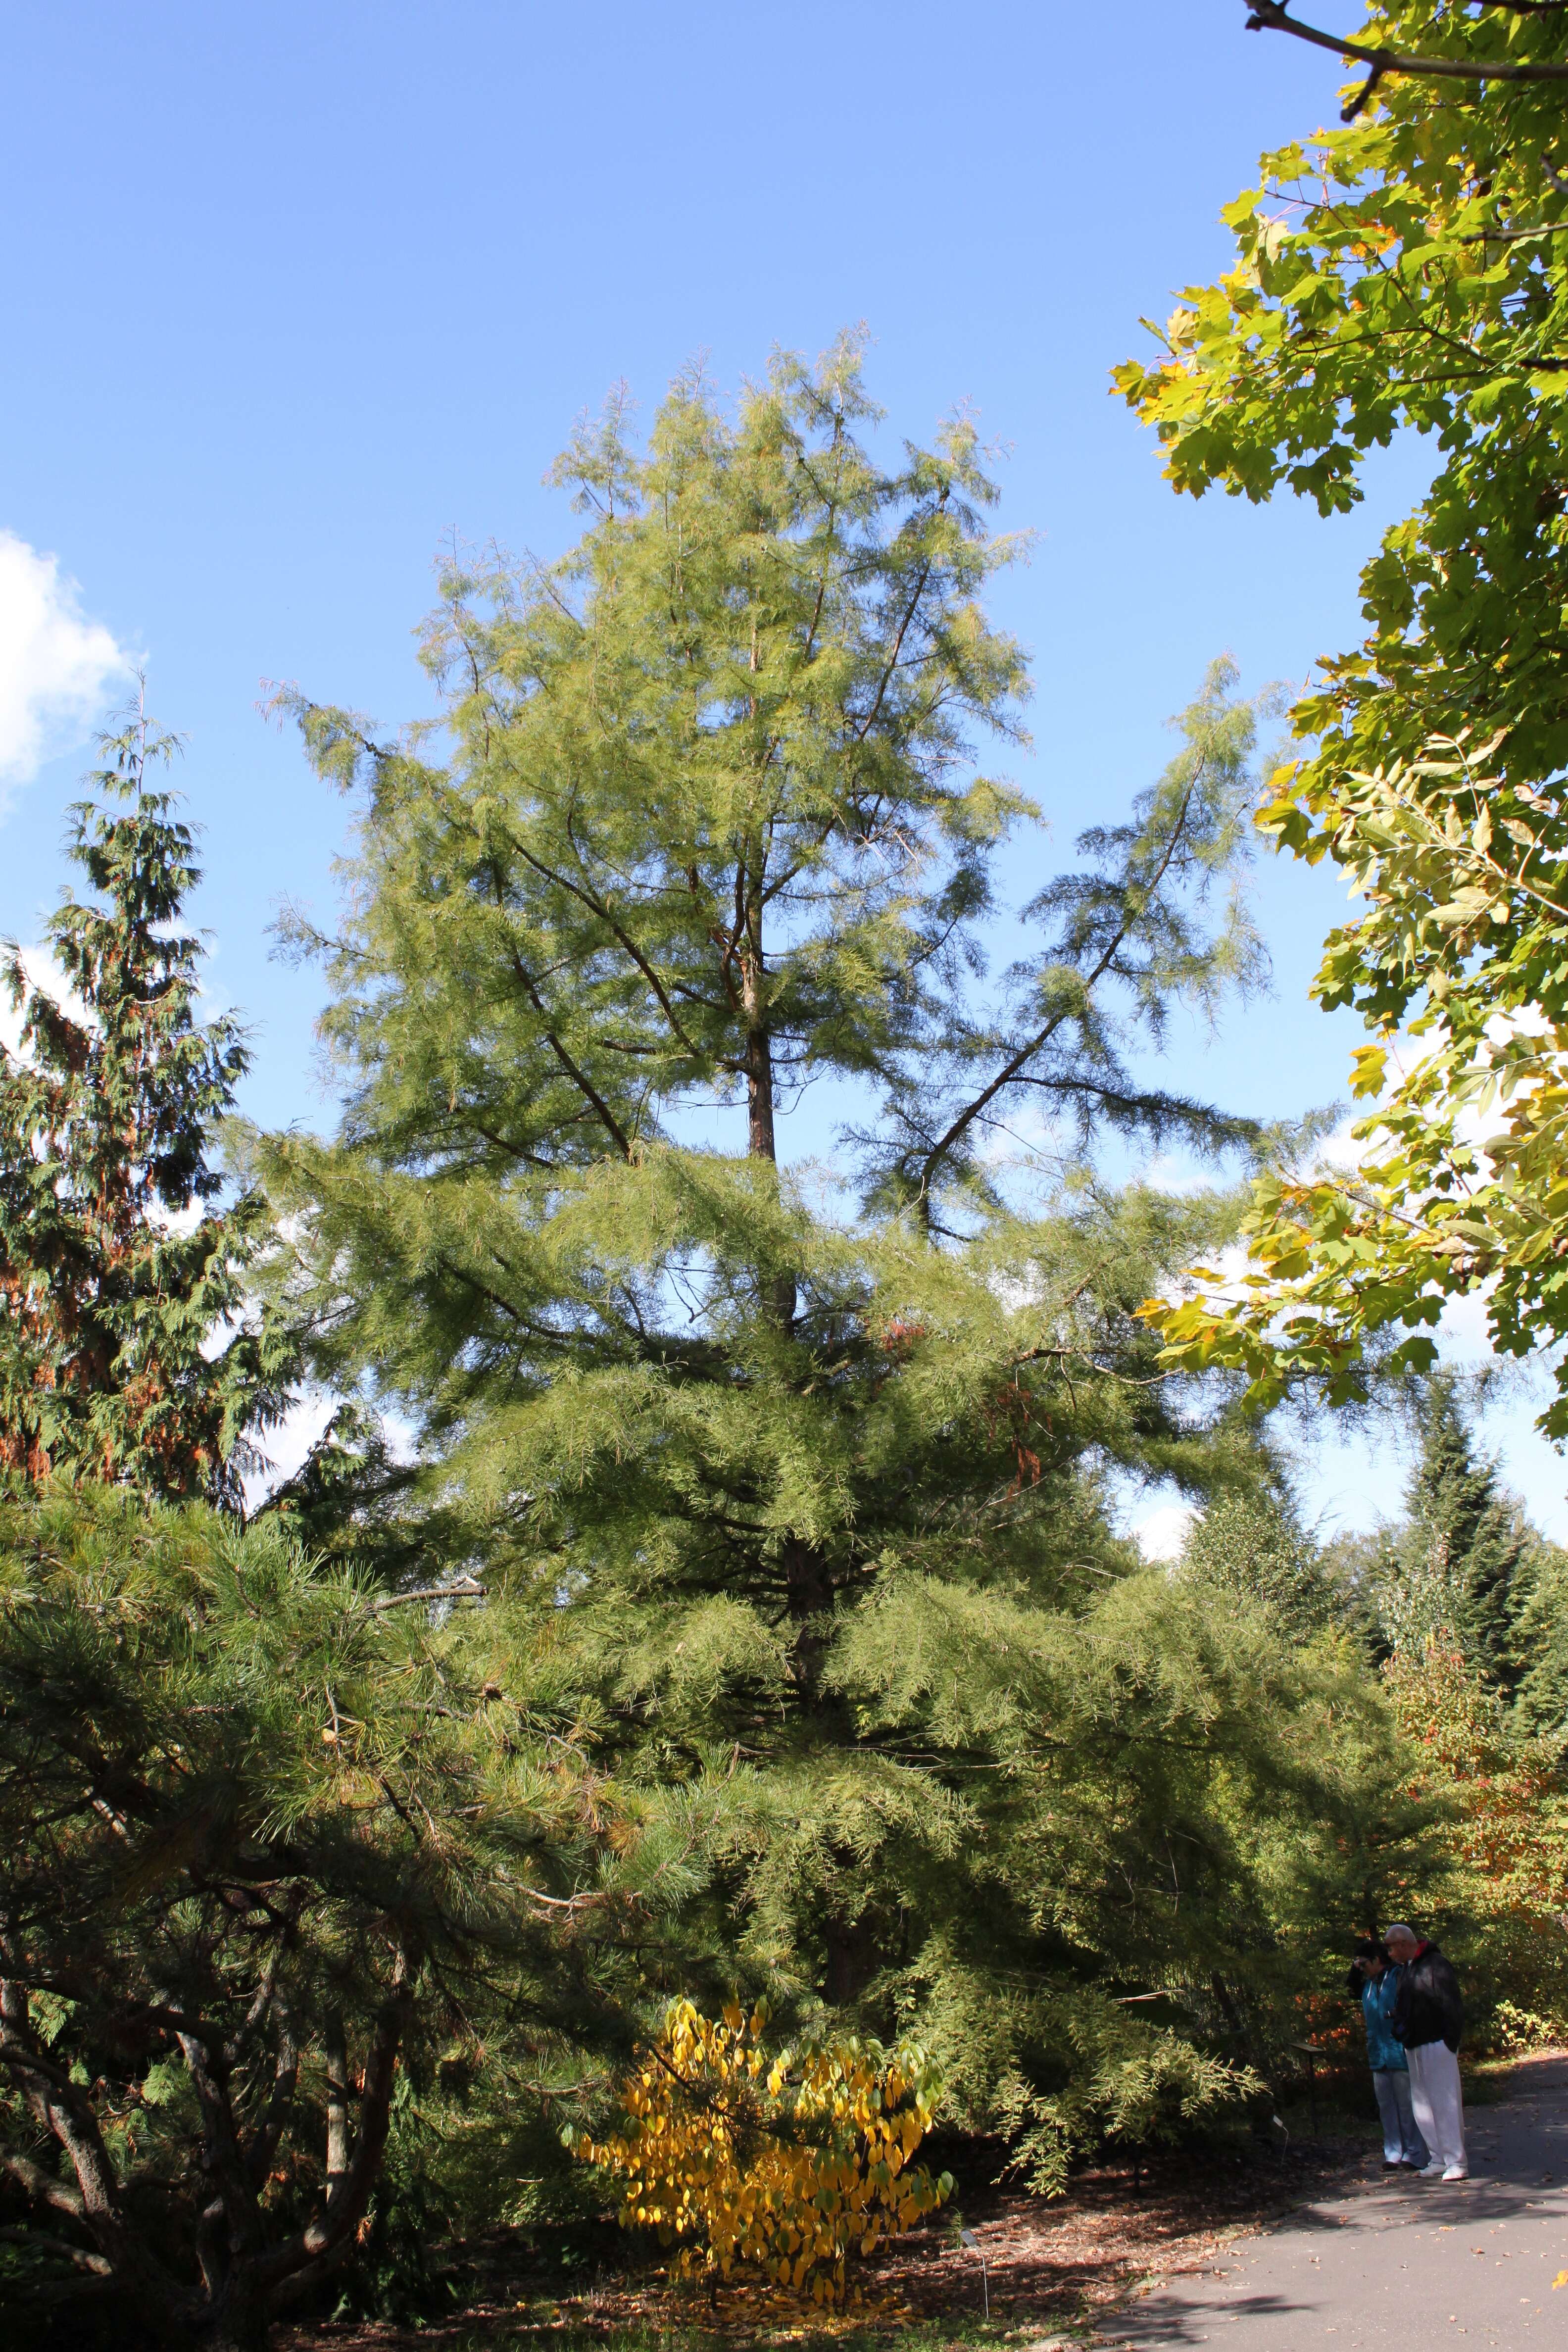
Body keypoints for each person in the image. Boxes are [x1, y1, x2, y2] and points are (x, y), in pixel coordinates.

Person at [1385, 1920, 1468, 2181]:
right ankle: (1438, 2157)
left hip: (1437, 2043)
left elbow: (1450, 2003)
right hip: (1415, 2044)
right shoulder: (1407, 1969)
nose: (1389, 1953)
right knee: (1422, 2106)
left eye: (1390, 1948)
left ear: (1402, 1944)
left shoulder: (1435, 1964)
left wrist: (1449, 2041)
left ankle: (1457, 2161)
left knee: (1445, 2102)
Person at [1347, 1936, 1429, 2171]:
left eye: (1364, 1963)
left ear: (1376, 1960)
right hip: (1377, 2055)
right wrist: (1355, 1967)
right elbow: (1350, 1988)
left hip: (1398, 2052)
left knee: (1406, 2105)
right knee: (1387, 2106)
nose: (1362, 1969)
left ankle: (1414, 2153)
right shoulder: (1368, 1986)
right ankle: (1393, 2152)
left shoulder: (1397, 1976)